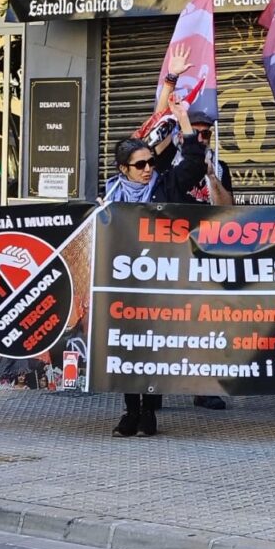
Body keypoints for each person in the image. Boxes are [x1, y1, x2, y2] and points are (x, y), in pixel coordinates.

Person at [105, 97, 207, 437]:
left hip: (159, 279)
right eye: (139, 165)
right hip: (122, 281)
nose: (148, 168)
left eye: (150, 162)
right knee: (127, 345)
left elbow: (193, 165)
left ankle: (149, 411)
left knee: (153, 345)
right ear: (124, 169)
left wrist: (184, 122)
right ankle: (130, 410)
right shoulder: (108, 198)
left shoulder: (164, 185)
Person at [150, 48, 233, 411]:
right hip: (169, 247)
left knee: (204, 321)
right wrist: (172, 80)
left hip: (205, 250)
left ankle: (204, 385)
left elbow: (227, 208)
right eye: (195, 131)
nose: (200, 138)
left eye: (205, 133)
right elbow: (157, 120)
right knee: (162, 319)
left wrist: (213, 177)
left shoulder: (217, 164)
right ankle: (154, 386)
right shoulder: (169, 162)